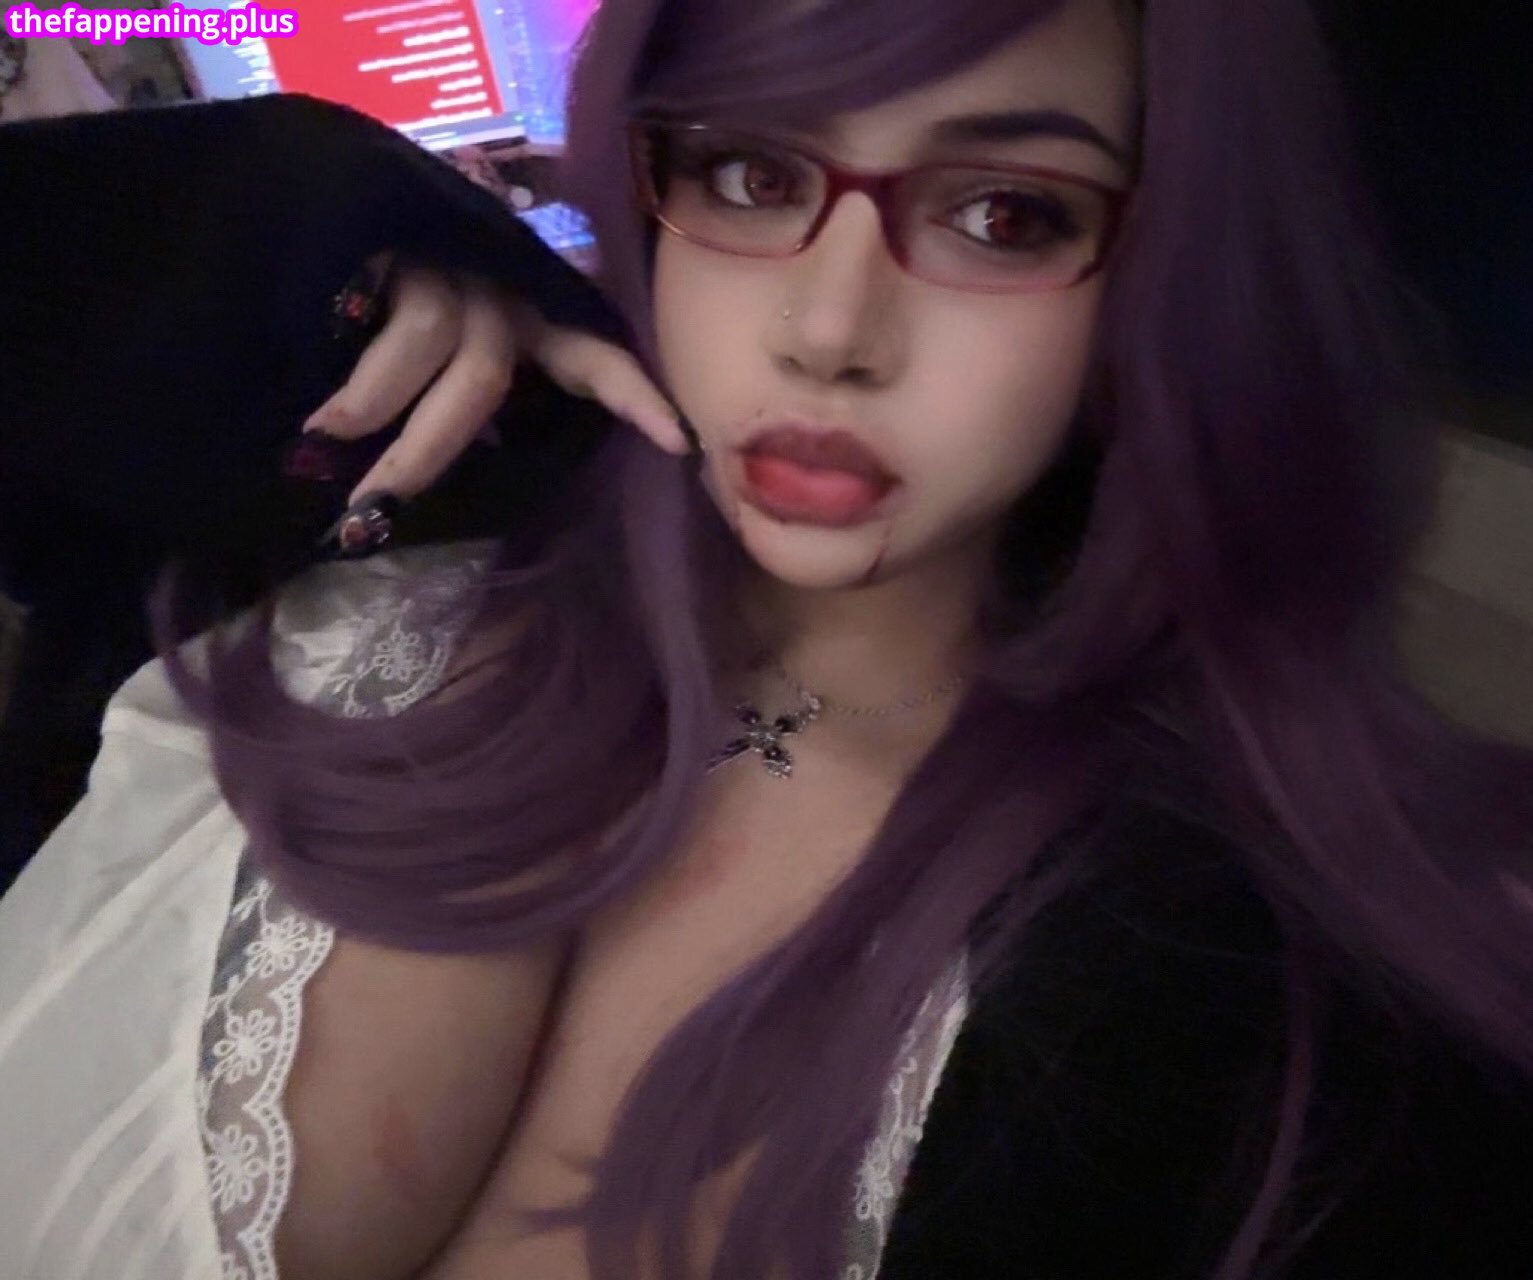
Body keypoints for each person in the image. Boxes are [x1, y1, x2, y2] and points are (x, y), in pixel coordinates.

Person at [3, 2, 1533, 1279]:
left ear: (1172, 269)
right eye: (747, 174)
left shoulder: (1247, 1017)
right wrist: (268, 204)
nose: (827, 329)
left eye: (1004, 214)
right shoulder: (370, 519)